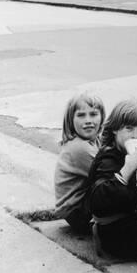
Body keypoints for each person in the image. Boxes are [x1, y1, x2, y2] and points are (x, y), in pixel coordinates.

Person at [87, 98, 137, 261]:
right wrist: (127, 170)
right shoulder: (108, 159)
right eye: (129, 128)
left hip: (125, 229)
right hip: (118, 237)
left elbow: (125, 194)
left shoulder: (122, 154)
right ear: (115, 129)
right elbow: (98, 199)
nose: (135, 135)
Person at [53, 92, 105, 234]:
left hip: (78, 206)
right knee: (113, 189)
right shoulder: (80, 148)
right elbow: (108, 175)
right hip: (77, 213)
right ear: (71, 119)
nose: (88, 120)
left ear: (102, 117)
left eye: (93, 114)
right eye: (81, 115)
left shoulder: (94, 139)